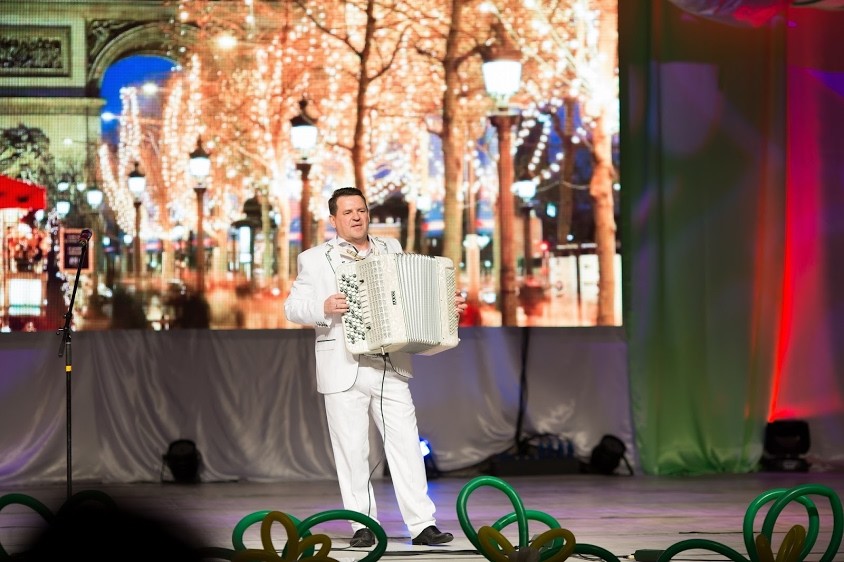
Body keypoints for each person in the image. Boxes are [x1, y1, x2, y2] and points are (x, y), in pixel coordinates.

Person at [284, 187, 466, 548]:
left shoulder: (390, 249)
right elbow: (292, 307)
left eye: (361, 210)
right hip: (342, 366)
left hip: (389, 364)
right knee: (352, 451)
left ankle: (422, 525)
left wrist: (446, 306)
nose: (356, 217)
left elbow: (411, 296)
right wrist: (323, 307)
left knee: (406, 445)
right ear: (333, 219)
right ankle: (362, 525)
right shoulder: (315, 259)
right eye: (348, 212)